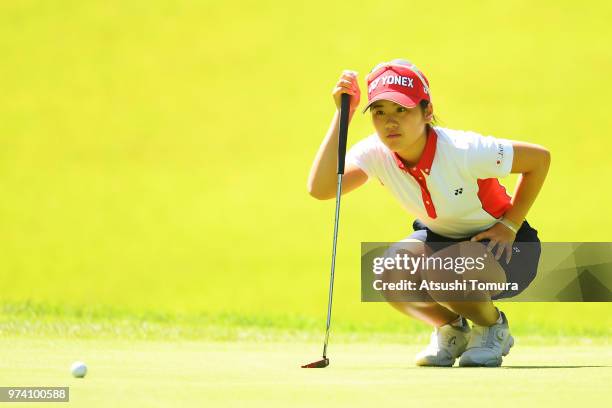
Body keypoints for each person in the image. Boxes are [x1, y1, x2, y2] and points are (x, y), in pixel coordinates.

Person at [307, 59, 550, 367]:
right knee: (388, 272)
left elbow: (539, 160)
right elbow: (322, 188)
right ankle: (453, 330)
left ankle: (492, 328)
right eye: (379, 112)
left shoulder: (463, 149)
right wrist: (344, 113)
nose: (390, 122)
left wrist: (511, 224)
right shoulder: (375, 152)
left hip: (507, 248)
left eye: (402, 110)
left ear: (427, 111)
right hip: (443, 244)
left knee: (442, 271)